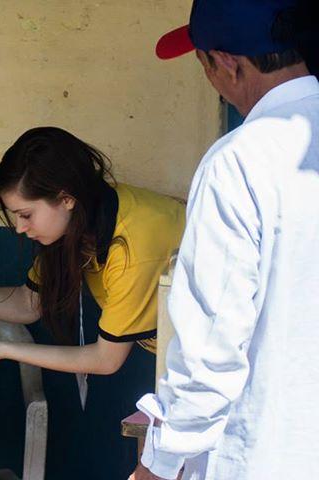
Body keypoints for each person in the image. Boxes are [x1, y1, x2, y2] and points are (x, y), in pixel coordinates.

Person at [0, 126, 185, 477]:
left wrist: (3, 349)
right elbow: (30, 304)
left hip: (213, 365)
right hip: (170, 364)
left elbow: (105, 360)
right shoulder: (79, 222)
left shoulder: (130, 245)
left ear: (66, 198)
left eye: (25, 214)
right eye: (14, 215)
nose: (18, 227)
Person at [130, 1, 319, 479]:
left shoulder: (237, 163)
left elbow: (210, 353)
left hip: (266, 454)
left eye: (204, 64)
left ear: (229, 63)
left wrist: (158, 464)